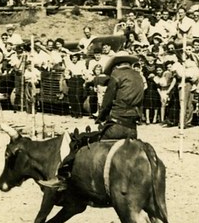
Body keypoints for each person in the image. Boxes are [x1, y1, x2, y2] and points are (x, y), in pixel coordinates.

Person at [38, 51, 145, 190]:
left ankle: (63, 177)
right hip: (132, 128)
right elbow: (109, 81)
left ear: (115, 65)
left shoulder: (116, 75)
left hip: (115, 126)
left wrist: (100, 117)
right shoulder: (138, 76)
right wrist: (94, 80)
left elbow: (107, 102)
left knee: (73, 137)